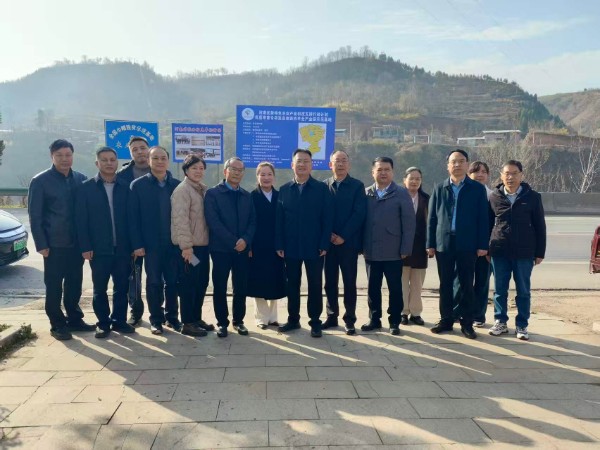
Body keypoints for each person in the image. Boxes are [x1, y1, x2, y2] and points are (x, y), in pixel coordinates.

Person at [28, 139, 94, 340]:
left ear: (73, 155)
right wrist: (41, 244)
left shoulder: (81, 179)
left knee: (74, 283)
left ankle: (74, 319)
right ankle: (57, 324)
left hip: (76, 243)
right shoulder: (40, 181)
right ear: (52, 157)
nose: (64, 159)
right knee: (54, 285)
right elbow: (35, 215)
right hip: (54, 244)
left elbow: (87, 213)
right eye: (59, 155)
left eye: (68, 155)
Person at [427, 149, 489, 339]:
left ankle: (467, 323)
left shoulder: (476, 189)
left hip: (467, 243)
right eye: (453, 161)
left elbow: (483, 219)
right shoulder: (440, 188)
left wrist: (482, 245)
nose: (457, 164)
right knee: (445, 283)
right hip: (443, 243)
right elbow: (432, 218)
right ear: (447, 165)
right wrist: (430, 243)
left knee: (466, 284)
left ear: (467, 164)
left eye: (461, 161)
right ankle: (446, 320)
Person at [75, 147, 135, 338]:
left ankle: (119, 320)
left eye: (112, 160)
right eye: (104, 160)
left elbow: (133, 219)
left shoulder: (126, 187)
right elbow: (81, 220)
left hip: (123, 248)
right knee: (99, 288)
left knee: (122, 287)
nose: (109, 163)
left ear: (117, 162)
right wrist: (85, 246)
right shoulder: (86, 188)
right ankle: (103, 323)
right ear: (97, 163)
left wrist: (134, 245)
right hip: (98, 249)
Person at [276, 149, 333, 338]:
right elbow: (279, 220)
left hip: (315, 246)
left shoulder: (321, 189)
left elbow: (327, 218)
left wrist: (324, 243)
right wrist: (279, 244)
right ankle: (293, 319)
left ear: (311, 165)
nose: (302, 164)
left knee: (315, 284)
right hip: (290, 246)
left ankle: (315, 322)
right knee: (292, 284)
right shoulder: (284, 189)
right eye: (298, 161)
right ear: (292, 165)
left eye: (306, 161)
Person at [488, 160, 546, 341]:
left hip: (524, 252)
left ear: (521, 175)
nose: (510, 177)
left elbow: (540, 226)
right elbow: (488, 224)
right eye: (507, 173)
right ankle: (500, 321)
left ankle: (522, 324)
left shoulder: (533, 197)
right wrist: (487, 249)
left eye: (514, 173)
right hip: (500, 250)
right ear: (501, 176)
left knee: (523, 291)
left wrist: (540, 252)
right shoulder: (494, 197)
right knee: (499, 290)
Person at [128, 146, 181, 335]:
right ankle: (156, 319)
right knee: (154, 283)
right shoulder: (138, 185)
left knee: (173, 282)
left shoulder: (176, 185)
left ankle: (172, 317)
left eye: (163, 158)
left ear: (168, 161)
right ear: (149, 161)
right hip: (150, 245)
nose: (160, 161)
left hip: (173, 244)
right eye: (155, 158)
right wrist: (137, 244)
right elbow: (132, 218)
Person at [362, 156, 415, 335]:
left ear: (392, 172)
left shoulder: (401, 193)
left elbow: (409, 224)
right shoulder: (366, 193)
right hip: (371, 250)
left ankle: (394, 321)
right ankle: (374, 319)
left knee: (395, 289)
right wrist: (361, 245)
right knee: (372, 288)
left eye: (387, 170)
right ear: (373, 172)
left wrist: (405, 248)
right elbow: (361, 222)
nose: (383, 173)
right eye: (379, 170)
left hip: (394, 251)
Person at [204, 157, 256, 337]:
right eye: (233, 169)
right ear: (225, 171)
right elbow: (213, 222)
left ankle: (238, 321)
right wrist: (234, 242)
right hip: (220, 249)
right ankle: (222, 322)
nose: (237, 173)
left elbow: (253, 222)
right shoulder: (213, 194)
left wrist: (245, 240)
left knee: (240, 286)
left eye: (240, 170)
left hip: (242, 249)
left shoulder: (247, 196)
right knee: (220, 286)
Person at [323, 150, 366, 335]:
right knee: (329, 282)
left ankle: (350, 319)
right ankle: (331, 316)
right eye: (336, 161)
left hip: (348, 244)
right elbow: (320, 213)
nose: (340, 164)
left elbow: (359, 214)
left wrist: (343, 236)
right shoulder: (324, 186)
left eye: (343, 161)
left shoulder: (357, 186)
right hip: (328, 244)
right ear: (330, 165)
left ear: (348, 164)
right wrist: (329, 235)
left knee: (349, 282)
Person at [170, 154, 214, 337]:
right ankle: (187, 322)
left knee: (201, 283)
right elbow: (180, 220)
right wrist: (186, 247)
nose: (198, 171)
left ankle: (196, 318)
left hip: (202, 247)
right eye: (194, 168)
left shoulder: (202, 189)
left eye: (201, 168)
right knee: (188, 285)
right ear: (186, 170)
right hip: (190, 249)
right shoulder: (183, 191)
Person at [453, 161, 494, 327]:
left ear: (488, 175)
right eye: (476, 171)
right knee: (460, 280)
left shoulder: (493, 196)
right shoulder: (462, 194)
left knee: (482, 281)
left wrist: (489, 247)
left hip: (486, 247)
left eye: (484, 172)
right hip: (465, 246)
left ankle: (478, 315)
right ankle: (457, 312)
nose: (480, 175)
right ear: (469, 174)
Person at [247, 162, 286, 329]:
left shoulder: (280, 196)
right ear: (257, 177)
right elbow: (248, 222)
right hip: (257, 246)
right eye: (262, 174)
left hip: (277, 246)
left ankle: (273, 317)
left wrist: (282, 244)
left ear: (274, 177)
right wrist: (249, 246)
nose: (266, 177)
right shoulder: (251, 197)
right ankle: (261, 318)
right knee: (259, 281)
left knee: (275, 280)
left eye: (269, 174)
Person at [117, 136, 151, 326]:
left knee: (158, 278)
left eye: (142, 148)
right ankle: (135, 311)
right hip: (131, 237)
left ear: (148, 149)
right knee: (134, 277)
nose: (139, 152)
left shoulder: (160, 171)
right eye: (135, 149)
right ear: (130, 153)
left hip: (155, 236)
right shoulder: (122, 176)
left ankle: (159, 312)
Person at [400, 167, 429, 326]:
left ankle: (416, 313)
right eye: (411, 178)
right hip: (401, 246)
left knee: (417, 283)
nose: (414, 181)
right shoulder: (398, 197)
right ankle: (403, 312)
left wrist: (430, 244)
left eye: (418, 178)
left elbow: (432, 223)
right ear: (404, 180)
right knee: (402, 281)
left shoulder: (426, 199)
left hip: (420, 247)